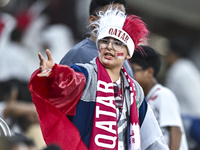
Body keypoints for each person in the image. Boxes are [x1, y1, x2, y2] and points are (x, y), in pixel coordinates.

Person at [28, 7, 169, 150]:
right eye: (105, 41)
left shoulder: (135, 90)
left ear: (128, 54)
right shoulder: (86, 74)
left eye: (117, 43)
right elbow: (67, 83)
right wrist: (52, 74)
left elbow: (151, 137)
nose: (109, 47)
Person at [128, 45, 188, 150]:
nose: (130, 75)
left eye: (134, 70)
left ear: (149, 72)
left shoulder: (162, 94)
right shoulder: (144, 99)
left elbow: (175, 130)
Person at [60, 0, 134, 78]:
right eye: (111, 14)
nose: (117, 21)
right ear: (93, 21)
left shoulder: (122, 60)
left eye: (121, 16)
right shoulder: (77, 55)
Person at [164, 36, 200, 149]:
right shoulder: (189, 67)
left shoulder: (177, 68)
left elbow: (166, 99)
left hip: (192, 122)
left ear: (174, 53)